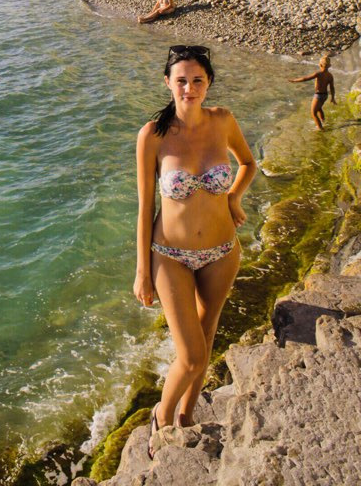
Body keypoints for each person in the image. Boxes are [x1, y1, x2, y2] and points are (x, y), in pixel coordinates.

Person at [133, 45, 256, 457]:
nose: (189, 87)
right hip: (170, 256)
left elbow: (248, 164)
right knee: (189, 356)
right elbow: (145, 207)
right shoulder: (153, 135)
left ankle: (188, 416)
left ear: (208, 83)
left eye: (197, 79)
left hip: (222, 251)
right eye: (181, 80)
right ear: (167, 83)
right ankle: (161, 420)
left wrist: (234, 199)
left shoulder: (223, 121)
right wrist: (142, 271)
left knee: (206, 341)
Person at [288, 55, 336, 130]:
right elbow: (332, 88)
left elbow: (305, 79)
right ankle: (323, 121)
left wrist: (294, 80)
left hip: (318, 95)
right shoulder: (330, 75)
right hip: (325, 95)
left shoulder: (318, 74)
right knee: (319, 108)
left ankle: (321, 129)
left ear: (320, 65)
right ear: (329, 66)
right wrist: (333, 98)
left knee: (313, 113)